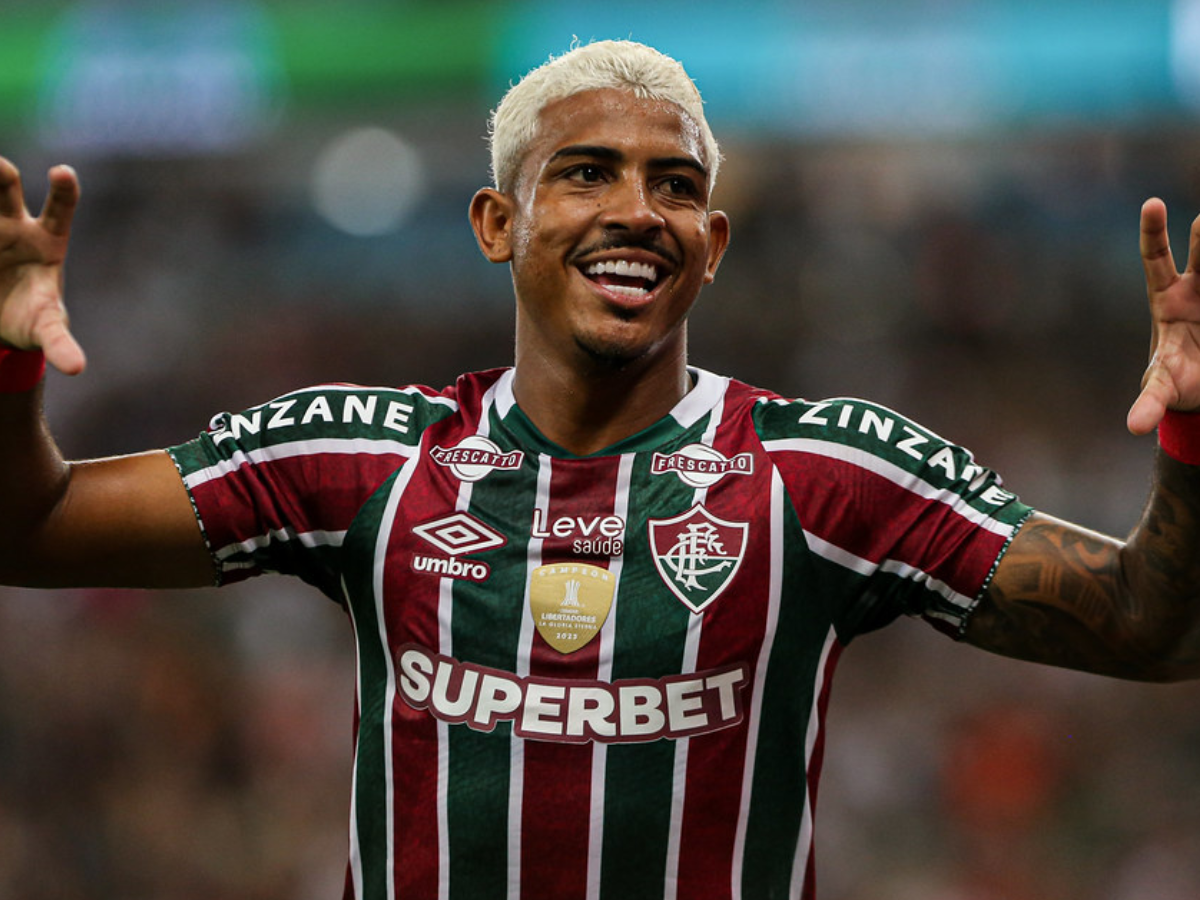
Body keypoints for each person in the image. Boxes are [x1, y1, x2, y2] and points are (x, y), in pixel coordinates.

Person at [1, 38, 1199, 900]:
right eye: (586, 172)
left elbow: (1153, 629)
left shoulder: (825, 476)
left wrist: (1193, 435)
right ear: (497, 222)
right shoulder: (364, 461)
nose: (637, 210)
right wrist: (9, 368)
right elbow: (30, 529)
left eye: (675, 186)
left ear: (712, 246)